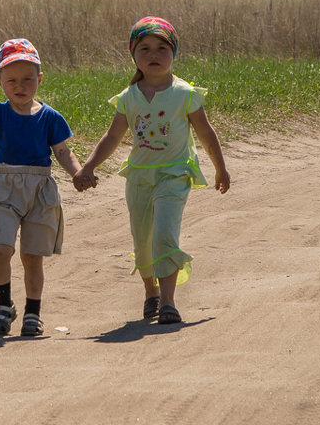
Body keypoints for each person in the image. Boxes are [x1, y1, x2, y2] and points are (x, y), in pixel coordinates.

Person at [74, 16, 230, 325]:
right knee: (142, 241)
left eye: (162, 47)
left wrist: (220, 169)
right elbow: (112, 137)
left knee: (163, 235)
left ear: (174, 53)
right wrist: (89, 165)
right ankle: (151, 293)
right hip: (140, 177)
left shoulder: (184, 93)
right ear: (133, 55)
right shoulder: (129, 97)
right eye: (144, 48)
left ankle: (169, 302)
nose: (154, 54)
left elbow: (206, 133)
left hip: (174, 175)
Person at [0, 38, 86, 337]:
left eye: (28, 79)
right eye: (11, 79)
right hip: (6, 186)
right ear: (0, 81)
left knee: (32, 256)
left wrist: (78, 172)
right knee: (0, 248)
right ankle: (3, 307)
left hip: (40, 189)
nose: (20, 86)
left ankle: (32, 312)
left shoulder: (50, 116)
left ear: (39, 79)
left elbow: (63, 152)